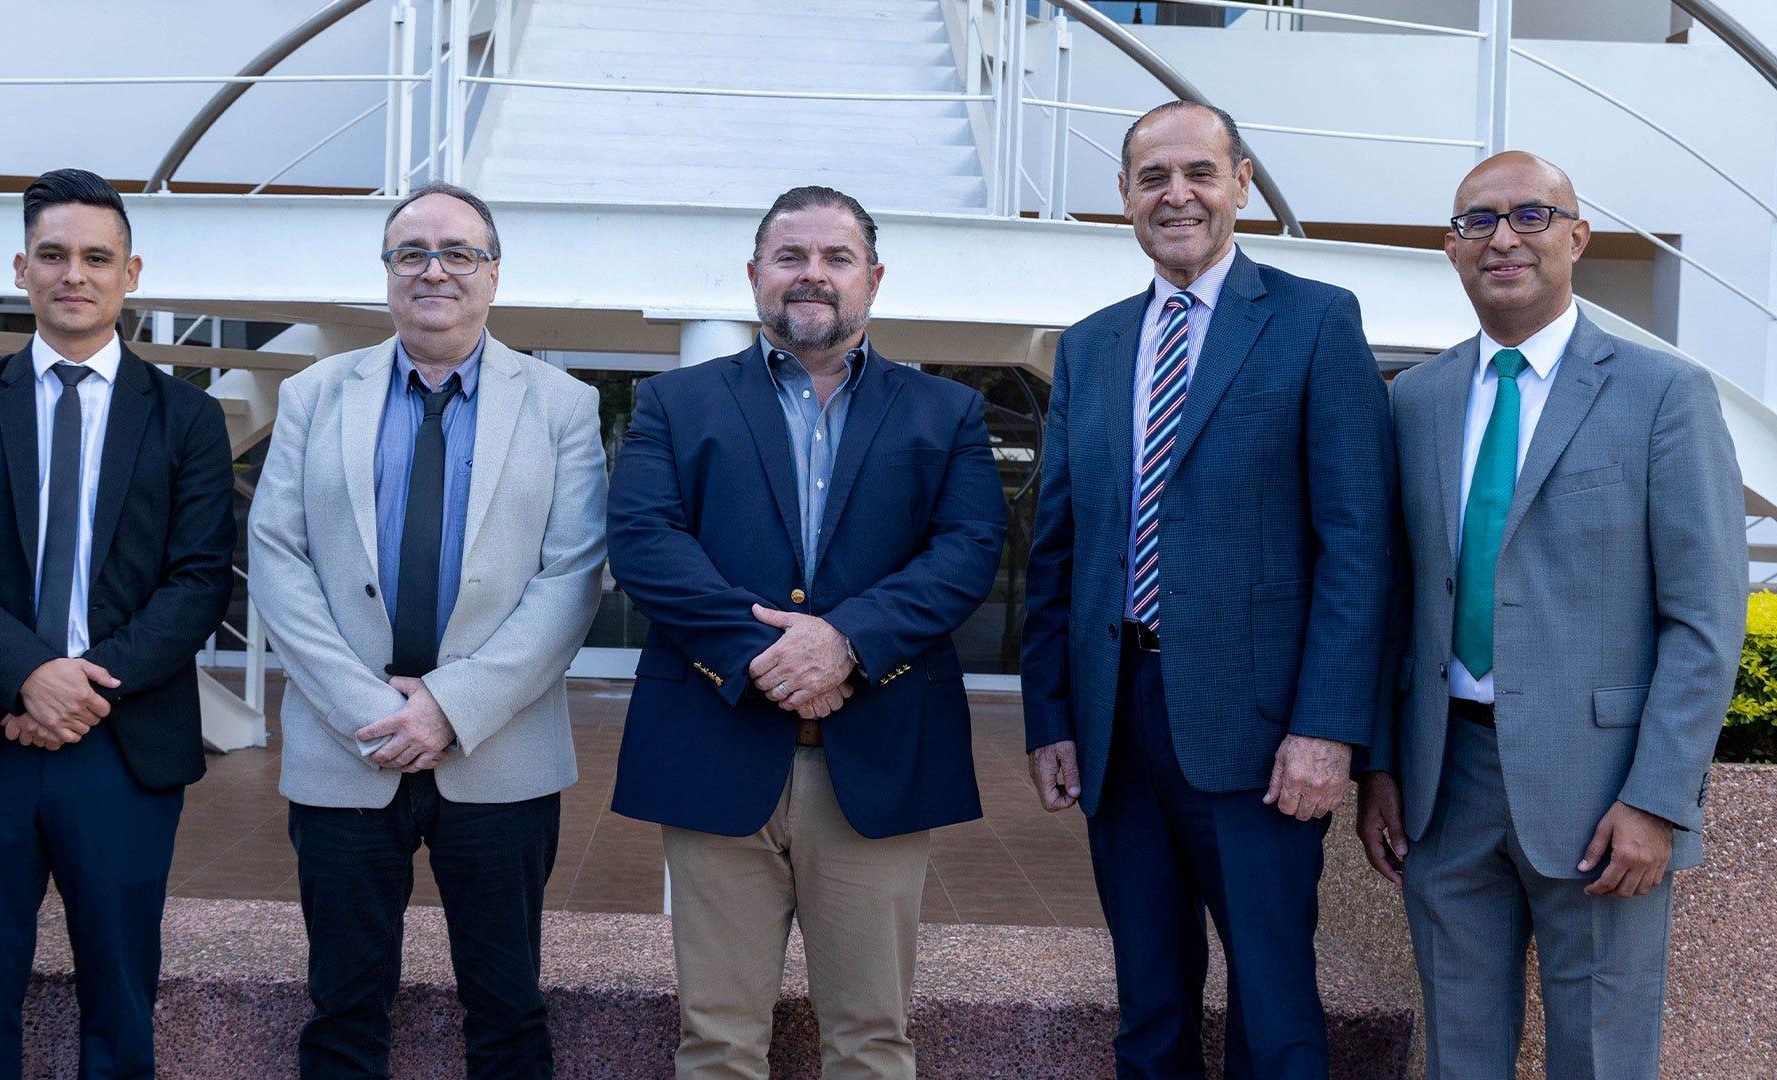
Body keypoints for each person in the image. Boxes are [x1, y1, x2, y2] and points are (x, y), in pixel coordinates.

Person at [1020, 102, 1394, 1078]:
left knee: (1274, 1007)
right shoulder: (1093, 345)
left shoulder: (1316, 321)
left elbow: (1357, 546)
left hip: (1262, 733)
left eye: (1198, 172)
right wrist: (1051, 717)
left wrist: (1327, 727)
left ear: (1240, 182)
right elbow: (1057, 549)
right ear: (1125, 199)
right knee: (1148, 1001)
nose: (1175, 194)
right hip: (1116, 725)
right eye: (1153, 177)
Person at [1356, 151, 1745, 1079]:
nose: (1503, 239)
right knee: (1459, 1055)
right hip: (1443, 784)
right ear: (1452, 251)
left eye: (1531, 216)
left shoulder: (1665, 394)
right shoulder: (1414, 401)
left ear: (1578, 237)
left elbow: (1705, 617)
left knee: (1602, 1057)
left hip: (1604, 794)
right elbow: (1392, 602)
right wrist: (1380, 766)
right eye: (1477, 222)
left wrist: (1657, 799)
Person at [607, 185, 1006, 1079]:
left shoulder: (947, 412)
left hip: (879, 759)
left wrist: (847, 644)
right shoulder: (675, 403)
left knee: (871, 1040)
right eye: (791, 258)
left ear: (874, 277)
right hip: (716, 748)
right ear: (755, 275)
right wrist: (769, 659)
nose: (812, 276)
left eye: (835, 258)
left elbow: (968, 551)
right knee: (716, 1041)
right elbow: (644, 542)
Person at [247, 181, 605, 1079]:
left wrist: (449, 707)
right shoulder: (313, 395)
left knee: (508, 1008)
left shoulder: (562, 403)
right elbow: (280, 560)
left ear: (493, 274)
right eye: (412, 253)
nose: (434, 270)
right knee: (342, 1005)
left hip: (501, 747)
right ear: (388, 272)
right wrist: (368, 705)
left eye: (459, 253)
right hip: (346, 742)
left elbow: (572, 576)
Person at [0, 168, 235, 1078]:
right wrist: (26, 677)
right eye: (52, 255)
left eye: (95, 256)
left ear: (131, 274)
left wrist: (77, 690)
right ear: (20, 268)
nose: (72, 273)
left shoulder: (188, 418)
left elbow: (198, 582)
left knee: (122, 997)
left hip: (122, 749)